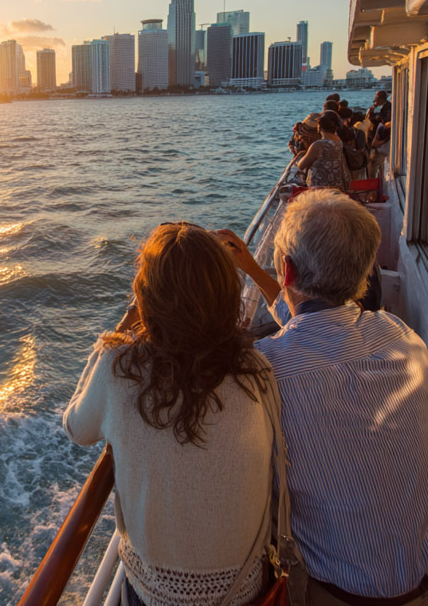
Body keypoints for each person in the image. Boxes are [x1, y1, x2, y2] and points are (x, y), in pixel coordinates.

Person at [218, 192, 428, 605]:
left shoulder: (267, 374)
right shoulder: (402, 336)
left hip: (352, 597)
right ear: (365, 271)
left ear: (287, 270)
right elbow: (317, 324)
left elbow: (306, 335)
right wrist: (253, 268)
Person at [65, 223, 274, 606]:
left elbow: (77, 427)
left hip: (154, 596)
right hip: (246, 590)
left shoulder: (119, 368)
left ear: (147, 299)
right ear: (227, 294)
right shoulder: (255, 368)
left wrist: (118, 331)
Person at [295, 111, 349, 189]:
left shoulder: (318, 145)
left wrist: (299, 158)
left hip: (320, 189)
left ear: (319, 127)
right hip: (337, 186)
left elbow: (301, 165)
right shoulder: (339, 141)